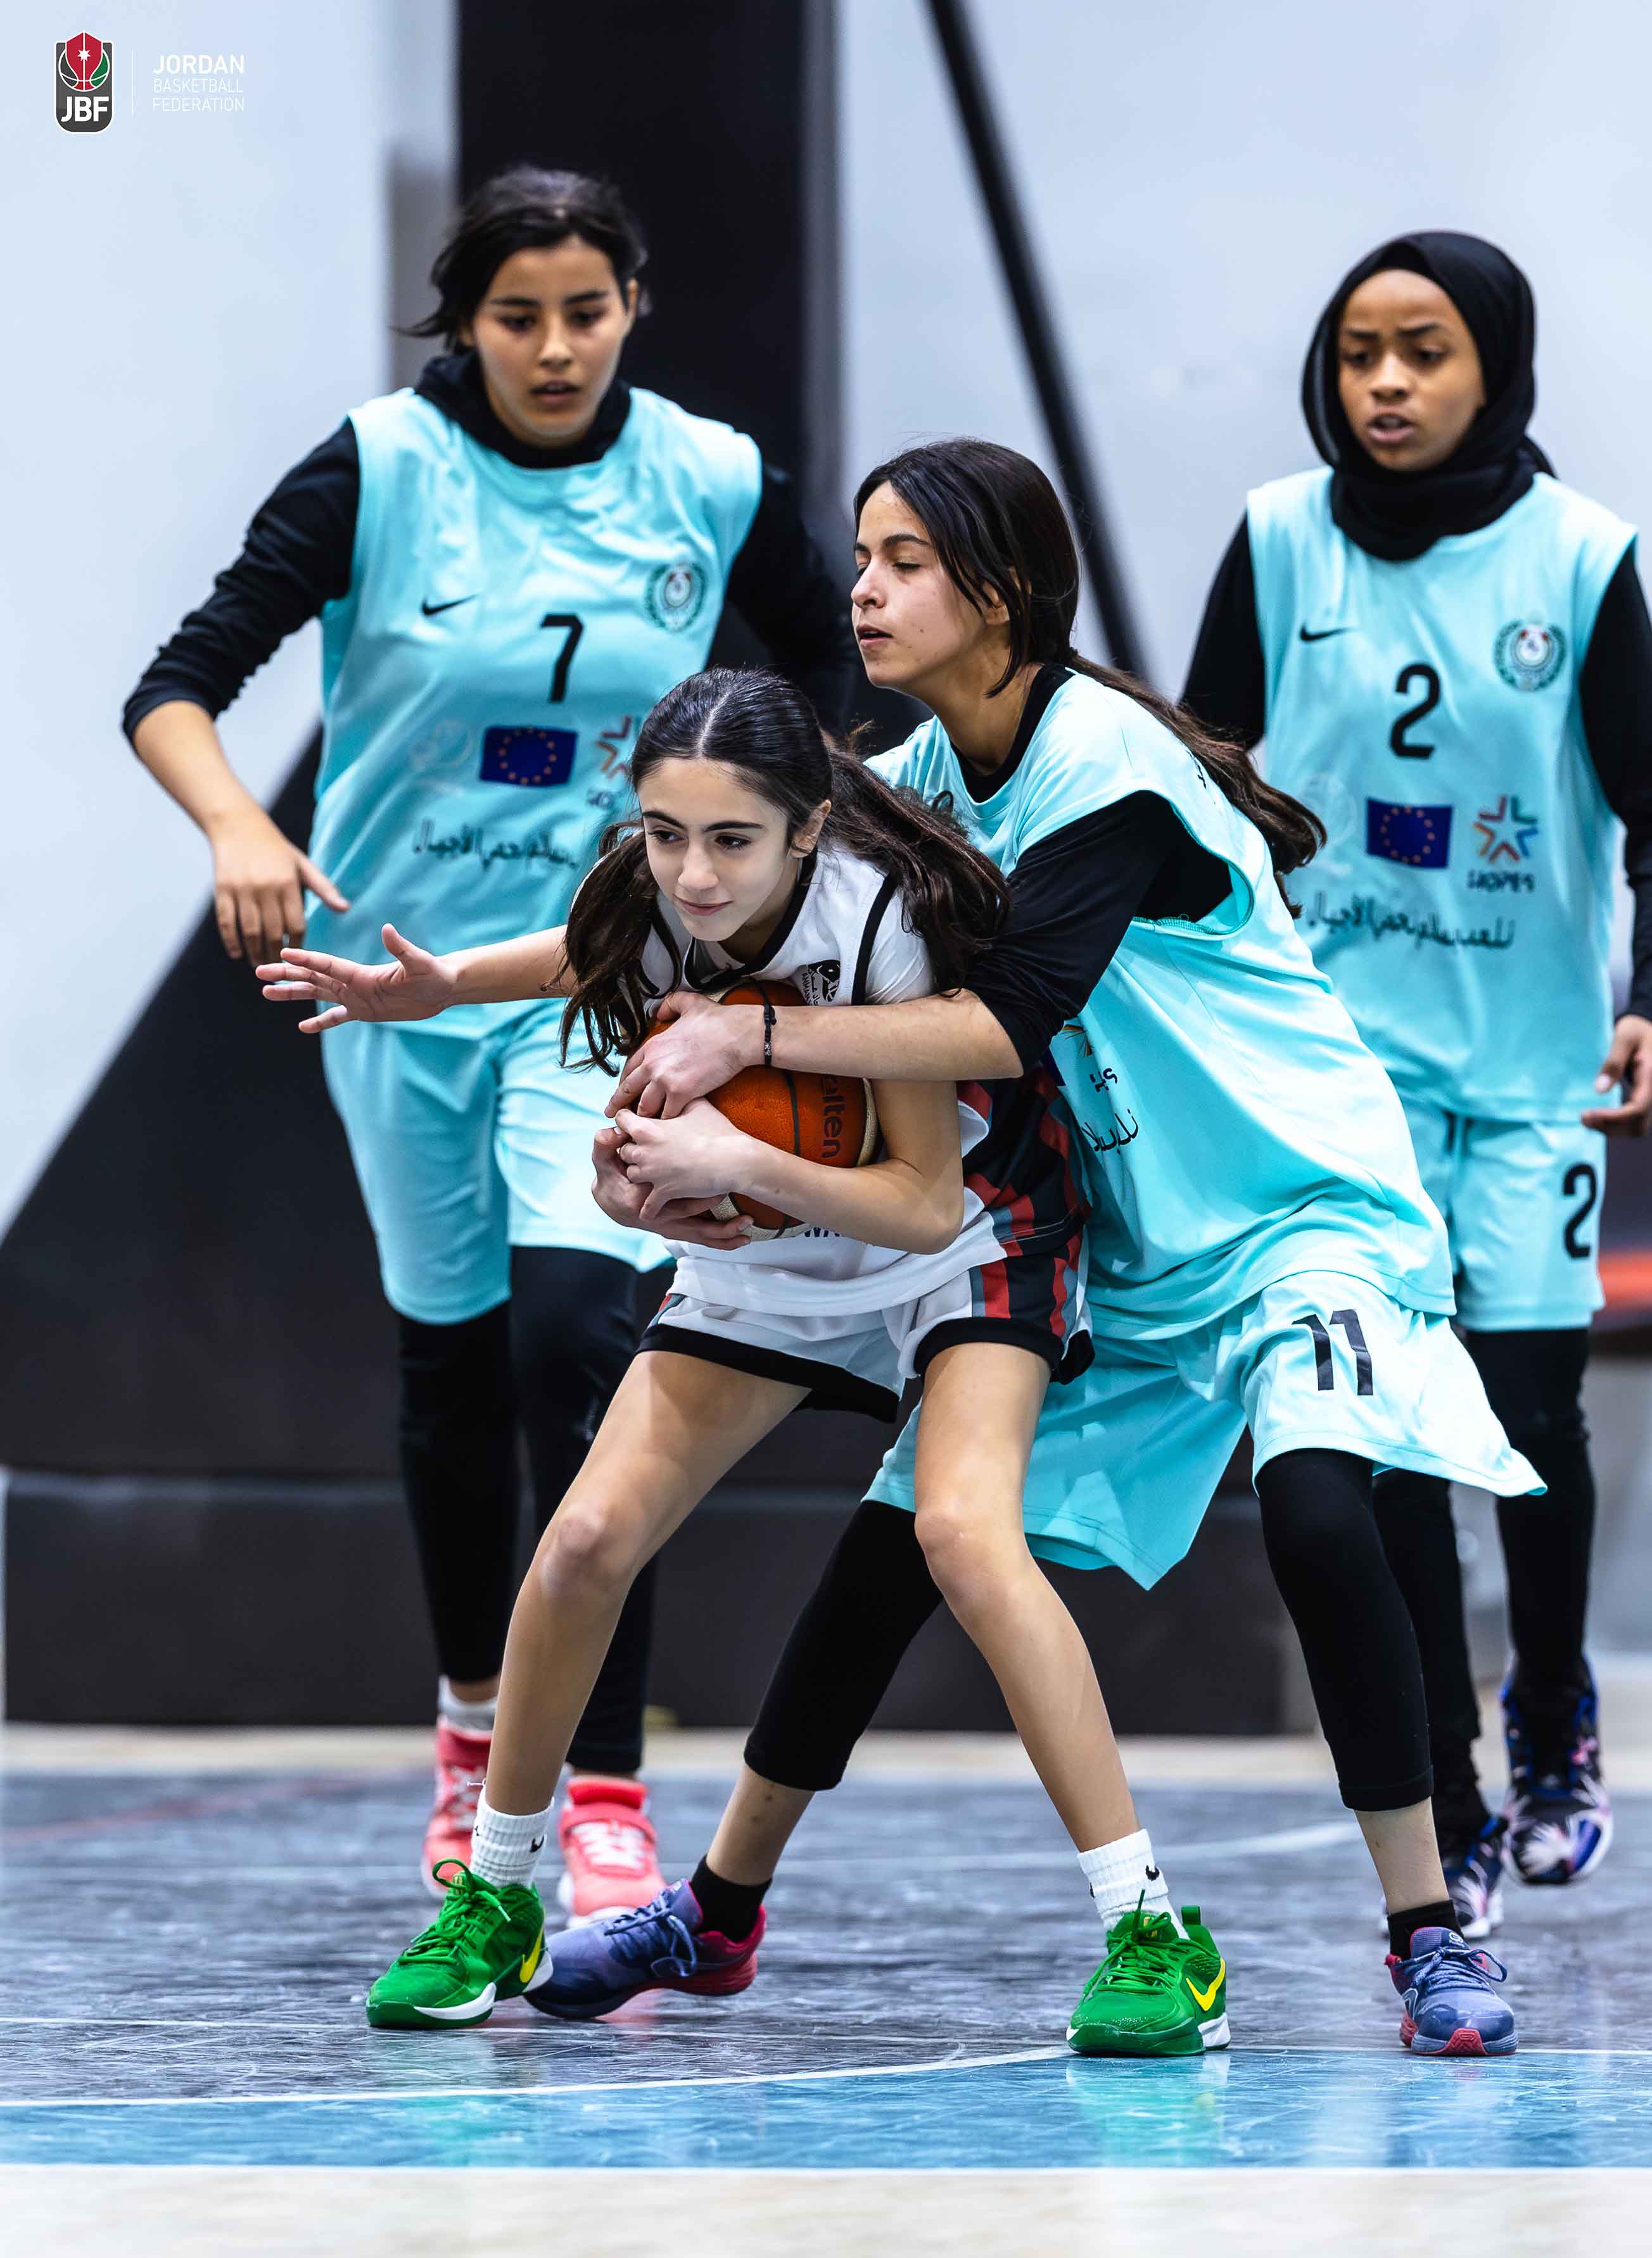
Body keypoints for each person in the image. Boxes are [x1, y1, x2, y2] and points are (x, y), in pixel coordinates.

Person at [603, 438, 1538, 2058]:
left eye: (903, 561)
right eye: (861, 556)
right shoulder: (920, 772)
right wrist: (446, 984)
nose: (862, 589)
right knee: (906, 1534)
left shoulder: (1105, 762)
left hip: (1297, 1209)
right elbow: (688, 880)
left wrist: (745, 1033)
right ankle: (718, 1908)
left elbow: (1006, 1020)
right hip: (1138, 1242)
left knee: (1321, 1512)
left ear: (1005, 593)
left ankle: (1429, 1931)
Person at [265, 665, 1227, 2055]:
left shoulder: (883, 912)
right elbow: (589, 957)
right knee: (585, 1539)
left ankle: (1152, 1929)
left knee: (963, 1538)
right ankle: (499, 1893)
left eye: (731, 840)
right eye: (666, 834)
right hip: (775, 1247)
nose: (695, 875)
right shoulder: (650, 890)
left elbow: (918, 1200)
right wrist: (453, 1000)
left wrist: (734, 1159)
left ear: (807, 827)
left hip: (967, 1229)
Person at [125, 165, 856, 1920]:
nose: (552, 346)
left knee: (577, 1338)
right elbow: (176, 684)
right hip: (392, 978)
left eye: (584, 312)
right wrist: (237, 823)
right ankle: (473, 1731)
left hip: (600, 983)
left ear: (633, 308)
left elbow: (841, 681)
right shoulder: (380, 469)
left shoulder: (704, 475)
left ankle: (597, 1779)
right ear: (462, 319)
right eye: (515, 315)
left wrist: (777, 879)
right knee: (451, 1369)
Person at [1182, 231, 1652, 1933]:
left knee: (1530, 1417)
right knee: (1389, 1432)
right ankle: (1453, 1792)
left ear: (1494, 367)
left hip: (1534, 1077)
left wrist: (1650, 1002)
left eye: (1422, 351)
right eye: (1357, 354)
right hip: (1343, 1086)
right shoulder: (1278, 540)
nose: (1386, 384)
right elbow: (1194, 791)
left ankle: (1549, 1704)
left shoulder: (1578, 557)